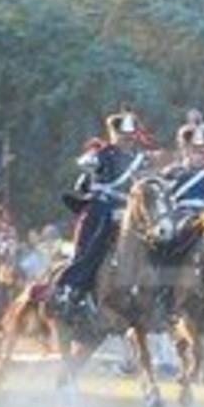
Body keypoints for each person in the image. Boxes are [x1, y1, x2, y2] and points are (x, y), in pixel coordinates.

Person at [53, 108, 148, 315]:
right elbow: (85, 177)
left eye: (130, 136)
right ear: (114, 135)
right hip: (105, 208)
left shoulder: (141, 159)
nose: (127, 140)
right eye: (123, 136)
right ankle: (74, 288)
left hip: (131, 211)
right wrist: (92, 162)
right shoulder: (102, 155)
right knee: (94, 242)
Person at [161, 124, 204, 251]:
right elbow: (164, 200)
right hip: (179, 218)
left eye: (202, 151)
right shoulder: (172, 172)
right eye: (195, 151)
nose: (200, 155)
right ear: (185, 150)